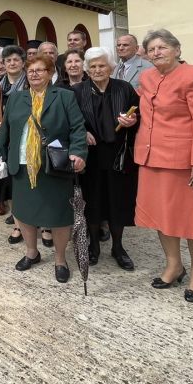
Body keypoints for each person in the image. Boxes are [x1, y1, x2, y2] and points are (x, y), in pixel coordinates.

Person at [135, 29, 193, 303]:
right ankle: (174, 265)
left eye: (162, 47)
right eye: (151, 49)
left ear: (177, 49)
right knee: (162, 216)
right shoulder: (147, 78)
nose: (156, 52)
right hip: (152, 158)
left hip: (187, 162)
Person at [0, 53, 87, 282]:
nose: (34, 74)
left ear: (51, 73)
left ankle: (60, 259)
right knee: (24, 213)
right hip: (22, 164)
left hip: (53, 166)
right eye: (31, 71)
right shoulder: (16, 99)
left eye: (39, 70)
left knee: (59, 216)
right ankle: (31, 252)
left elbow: (77, 128)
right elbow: (5, 131)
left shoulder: (64, 97)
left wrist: (79, 152)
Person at [72, 47, 140, 271]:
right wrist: (81, 131)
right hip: (90, 157)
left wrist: (133, 121)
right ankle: (94, 245)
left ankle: (118, 247)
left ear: (111, 67)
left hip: (118, 156)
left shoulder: (124, 88)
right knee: (93, 202)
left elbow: (139, 116)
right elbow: (70, 120)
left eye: (102, 65)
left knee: (118, 201)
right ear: (86, 69)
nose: (97, 70)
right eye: (92, 66)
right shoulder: (77, 91)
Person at [0, 46, 27, 226]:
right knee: (8, 172)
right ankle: (16, 212)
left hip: (24, 134)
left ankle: (27, 212)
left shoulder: (30, 83)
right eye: (8, 60)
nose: (12, 63)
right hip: (4, 134)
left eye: (16, 60)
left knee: (22, 173)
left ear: (23, 63)